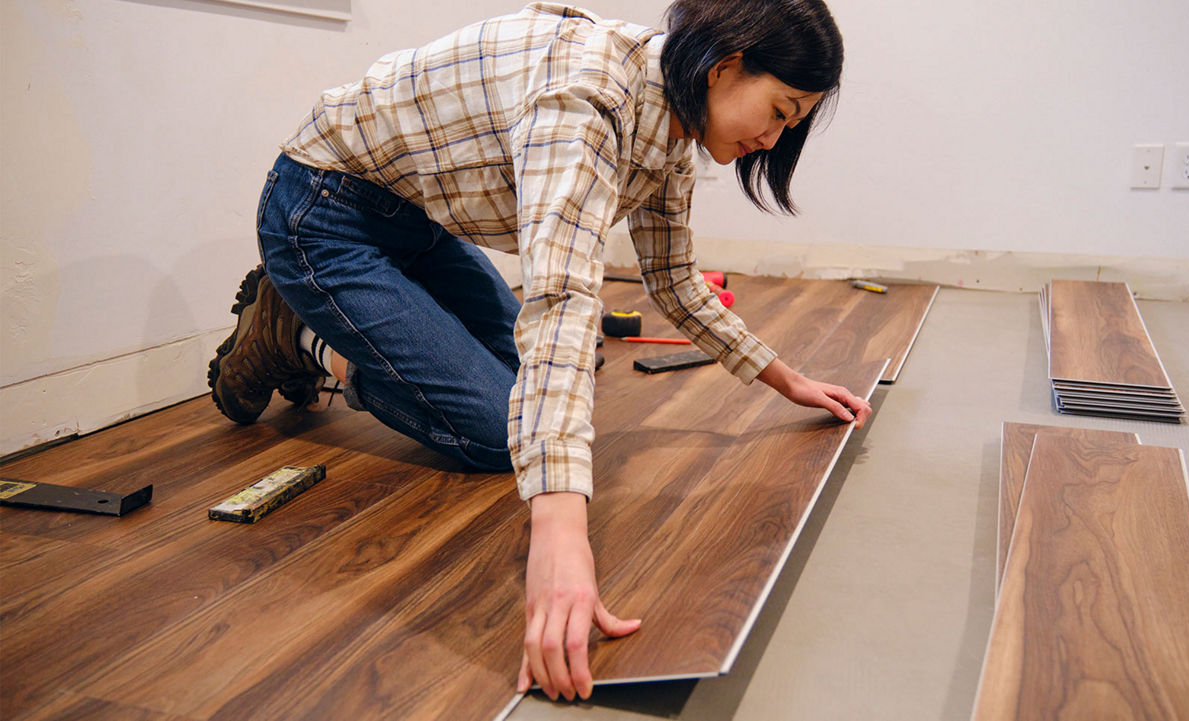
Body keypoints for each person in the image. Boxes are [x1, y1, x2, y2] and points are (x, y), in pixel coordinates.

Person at [208, 0, 870, 702]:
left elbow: (674, 280)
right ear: (727, 66)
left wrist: (785, 379)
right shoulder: (586, 101)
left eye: (789, 124)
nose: (771, 138)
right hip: (323, 212)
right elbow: (560, 300)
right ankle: (298, 338)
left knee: (547, 393)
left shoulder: (673, 118)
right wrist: (559, 537)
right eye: (779, 109)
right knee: (501, 431)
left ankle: (338, 320)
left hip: (420, 223)